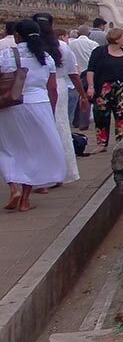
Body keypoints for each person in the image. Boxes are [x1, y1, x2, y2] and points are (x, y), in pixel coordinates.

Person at [0, 19, 68, 211]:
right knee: (33, 151)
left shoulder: (5, 55)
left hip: (10, 106)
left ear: (17, 36)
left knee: (7, 149)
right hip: (39, 104)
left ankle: (13, 187)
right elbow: (52, 88)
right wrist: (51, 112)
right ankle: (25, 200)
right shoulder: (45, 58)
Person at [32, 14, 81, 184]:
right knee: (61, 127)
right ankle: (64, 170)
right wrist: (82, 94)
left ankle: (42, 173)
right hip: (59, 87)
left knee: (40, 131)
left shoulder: (32, 48)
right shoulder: (61, 47)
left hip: (36, 89)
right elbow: (73, 73)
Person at [86, 28, 123, 153]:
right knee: (101, 116)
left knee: (122, 115)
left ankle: (121, 141)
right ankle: (102, 143)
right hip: (104, 87)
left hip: (121, 88)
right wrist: (91, 86)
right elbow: (91, 70)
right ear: (116, 38)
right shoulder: (99, 52)